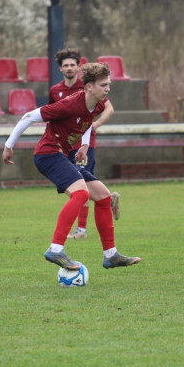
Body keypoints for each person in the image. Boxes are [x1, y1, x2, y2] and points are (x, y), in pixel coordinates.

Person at [3, 61, 140, 271]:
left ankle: (110, 255)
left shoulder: (99, 104)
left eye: (108, 84)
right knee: (81, 194)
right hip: (48, 154)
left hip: (65, 155)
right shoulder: (68, 104)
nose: (108, 89)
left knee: (103, 197)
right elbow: (27, 117)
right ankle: (56, 249)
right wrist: (8, 146)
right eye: (103, 85)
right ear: (89, 87)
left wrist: (84, 144)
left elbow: (87, 121)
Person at [49, 47, 120, 239]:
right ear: (60, 69)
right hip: (64, 147)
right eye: (66, 65)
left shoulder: (89, 87)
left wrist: (95, 124)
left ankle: (81, 229)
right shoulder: (55, 91)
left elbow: (109, 109)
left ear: (78, 67)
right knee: (73, 187)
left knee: (80, 185)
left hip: (84, 145)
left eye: (73, 65)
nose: (70, 68)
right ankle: (106, 197)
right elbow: (52, 117)